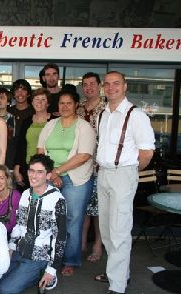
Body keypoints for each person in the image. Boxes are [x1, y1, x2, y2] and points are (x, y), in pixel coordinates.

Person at [95, 71, 155, 294]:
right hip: (104, 174)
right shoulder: (104, 113)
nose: (111, 88)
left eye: (116, 84)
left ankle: (118, 285)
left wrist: (129, 172)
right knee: (107, 229)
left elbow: (147, 153)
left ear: (125, 86)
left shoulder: (136, 115)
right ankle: (117, 272)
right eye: (107, 84)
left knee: (119, 230)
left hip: (123, 173)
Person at [38, 90, 96, 277]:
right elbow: (41, 150)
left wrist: (58, 171)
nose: (64, 107)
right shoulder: (50, 125)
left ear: (76, 105)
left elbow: (84, 155)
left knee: (72, 220)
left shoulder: (85, 127)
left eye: (68, 103)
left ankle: (70, 260)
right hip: (49, 177)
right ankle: (46, 257)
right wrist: (50, 173)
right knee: (47, 218)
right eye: (61, 103)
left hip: (75, 178)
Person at [0, 154, 66, 294]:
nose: (33, 176)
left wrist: (52, 270)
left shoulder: (57, 200)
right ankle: (24, 272)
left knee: (6, 290)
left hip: (39, 256)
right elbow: (19, 225)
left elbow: (60, 237)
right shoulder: (25, 194)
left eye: (39, 172)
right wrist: (11, 248)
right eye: (31, 170)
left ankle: (43, 274)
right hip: (20, 250)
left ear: (48, 175)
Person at [78, 72, 106, 263]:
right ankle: (80, 243)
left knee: (98, 209)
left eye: (92, 84)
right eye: (85, 84)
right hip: (80, 165)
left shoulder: (106, 107)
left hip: (100, 164)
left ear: (99, 85)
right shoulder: (78, 108)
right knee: (83, 207)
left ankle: (97, 244)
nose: (89, 87)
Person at [14, 88, 52, 191]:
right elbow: (20, 145)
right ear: (32, 102)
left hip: (48, 169)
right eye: (36, 99)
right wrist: (17, 169)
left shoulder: (54, 120)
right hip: (27, 167)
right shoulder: (27, 121)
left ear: (48, 103)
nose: (39, 102)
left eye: (43, 99)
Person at [8, 79, 34, 171]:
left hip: (28, 155)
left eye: (23, 90)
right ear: (13, 94)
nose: (20, 93)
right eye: (17, 90)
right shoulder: (9, 112)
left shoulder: (34, 112)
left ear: (28, 93)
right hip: (10, 156)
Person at [0, 87, 16, 170]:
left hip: (8, 158)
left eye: (2, 98)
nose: (0, 100)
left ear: (8, 102)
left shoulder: (13, 118)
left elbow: (12, 141)